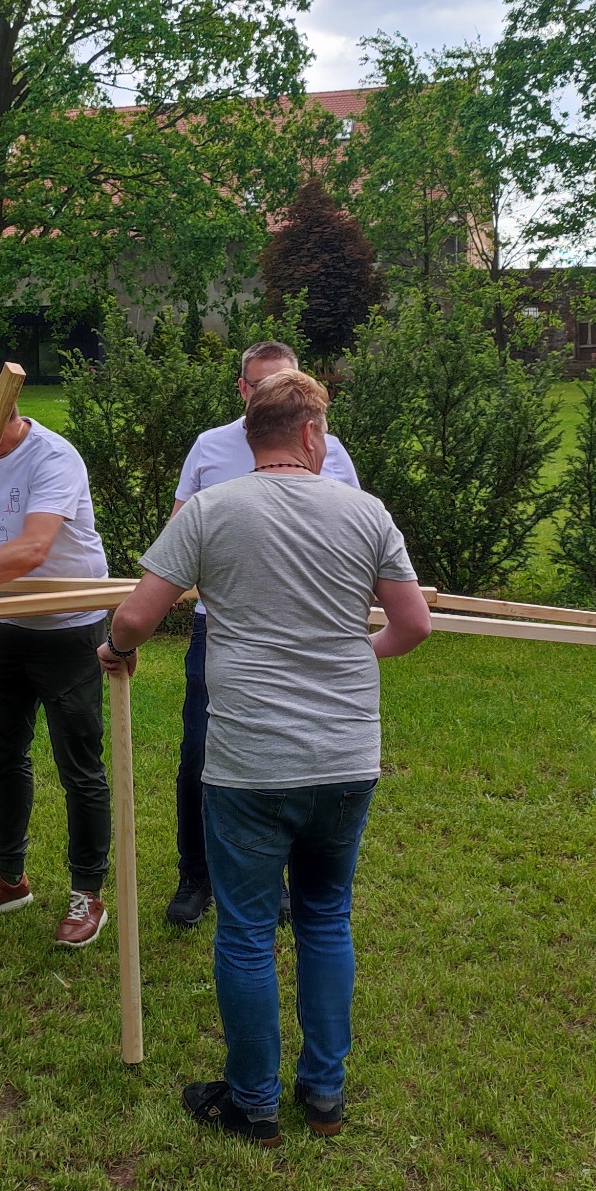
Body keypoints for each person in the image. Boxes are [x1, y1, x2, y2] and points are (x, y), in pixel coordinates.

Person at [106, 370, 431, 1145]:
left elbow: (137, 613)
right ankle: (324, 1094)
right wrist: (354, 659)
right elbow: (414, 624)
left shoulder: (213, 509)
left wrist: (115, 650)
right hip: (347, 753)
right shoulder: (365, 511)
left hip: (251, 758)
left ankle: (252, 1102)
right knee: (325, 917)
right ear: (313, 433)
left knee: (248, 929)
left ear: (251, 436)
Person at [164, 340, 364, 928]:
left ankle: (275, 879)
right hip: (220, 629)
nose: (275, 395)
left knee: (289, 754)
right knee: (201, 750)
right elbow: (180, 531)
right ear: (243, 392)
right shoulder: (211, 446)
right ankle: (196, 875)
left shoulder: (329, 448)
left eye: (287, 383)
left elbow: (349, 532)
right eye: (262, 386)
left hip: (302, 634)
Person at [0, 367, 114, 948]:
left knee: (78, 763)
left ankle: (88, 891)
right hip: (11, 622)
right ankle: (9, 877)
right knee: (3, 750)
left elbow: (33, 548)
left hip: (69, 627)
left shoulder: (52, 458)